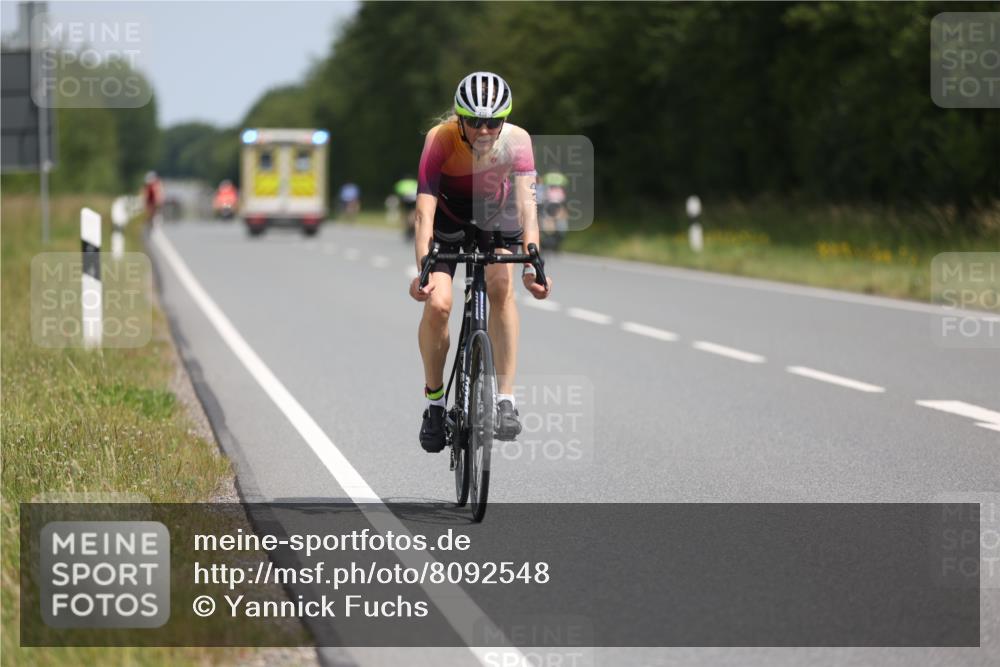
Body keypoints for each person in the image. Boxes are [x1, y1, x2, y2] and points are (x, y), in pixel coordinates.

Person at [410, 71, 552, 453]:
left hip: (496, 216)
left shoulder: (518, 141)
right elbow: (423, 214)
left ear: (505, 120)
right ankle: (435, 404)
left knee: (501, 286)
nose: (484, 130)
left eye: (493, 121)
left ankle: (505, 400)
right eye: (474, 121)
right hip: (448, 220)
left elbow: (528, 208)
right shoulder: (439, 139)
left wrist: (532, 266)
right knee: (438, 304)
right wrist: (424, 268)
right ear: (460, 119)